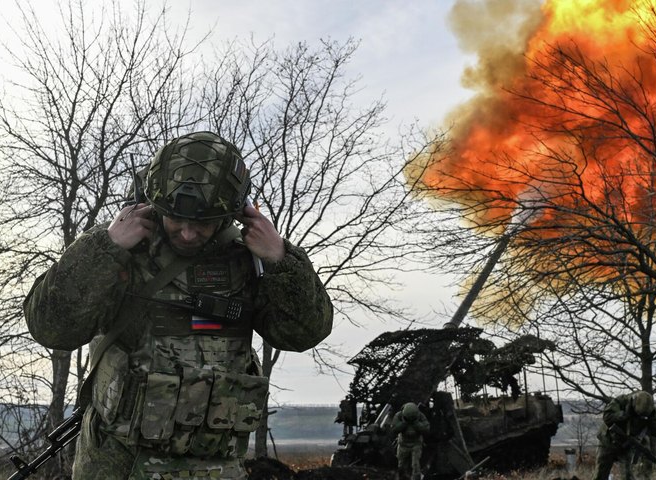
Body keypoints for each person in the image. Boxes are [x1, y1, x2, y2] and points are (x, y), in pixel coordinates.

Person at [24, 131, 334, 479]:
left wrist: (281, 258)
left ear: (233, 212)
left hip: (215, 468)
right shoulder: (119, 249)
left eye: (201, 223)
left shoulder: (250, 259)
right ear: (153, 202)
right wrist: (104, 246)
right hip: (118, 465)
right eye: (176, 219)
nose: (187, 233)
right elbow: (50, 327)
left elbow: (303, 334)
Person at [592, 390, 656, 480]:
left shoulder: (653, 413)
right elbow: (607, 416)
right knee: (600, 475)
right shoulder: (622, 401)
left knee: (627, 476)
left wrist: (652, 419)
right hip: (608, 441)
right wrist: (625, 415)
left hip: (627, 446)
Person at [390, 402, 430, 480]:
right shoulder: (399, 416)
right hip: (403, 444)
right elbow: (394, 429)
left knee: (415, 465)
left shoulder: (420, 416)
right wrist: (404, 423)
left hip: (416, 444)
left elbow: (426, 429)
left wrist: (416, 424)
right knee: (401, 465)